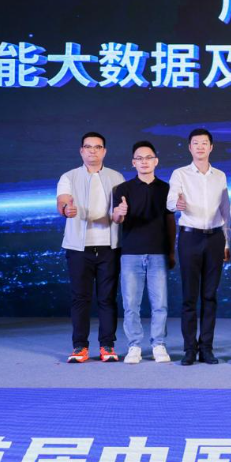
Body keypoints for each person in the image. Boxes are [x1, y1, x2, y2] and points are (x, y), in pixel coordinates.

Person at [56, 131, 125, 363]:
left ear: (104, 151)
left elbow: (120, 213)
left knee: (107, 299)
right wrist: (67, 210)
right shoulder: (69, 176)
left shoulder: (116, 177)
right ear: (81, 151)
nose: (92, 151)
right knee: (80, 298)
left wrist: (120, 214)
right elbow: (62, 202)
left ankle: (107, 345)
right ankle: (80, 347)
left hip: (108, 246)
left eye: (97, 147)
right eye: (88, 147)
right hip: (78, 248)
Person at [167, 128, 231, 366]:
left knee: (210, 296)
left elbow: (225, 210)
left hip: (214, 238)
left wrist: (226, 242)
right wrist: (177, 204)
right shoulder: (180, 174)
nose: (200, 147)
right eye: (196, 143)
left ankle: (206, 348)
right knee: (189, 297)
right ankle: (189, 349)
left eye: (205, 143)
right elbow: (171, 200)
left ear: (211, 147)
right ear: (189, 147)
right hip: (190, 237)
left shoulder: (220, 176)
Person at [112, 141, 176, 364]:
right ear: (133, 163)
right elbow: (116, 218)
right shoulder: (123, 189)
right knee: (131, 304)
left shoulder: (166, 189)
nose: (144, 162)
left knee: (160, 304)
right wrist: (119, 212)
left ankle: (158, 344)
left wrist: (171, 251)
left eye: (148, 157)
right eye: (139, 158)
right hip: (131, 253)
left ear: (156, 161)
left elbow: (170, 222)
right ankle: (134, 345)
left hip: (158, 252)